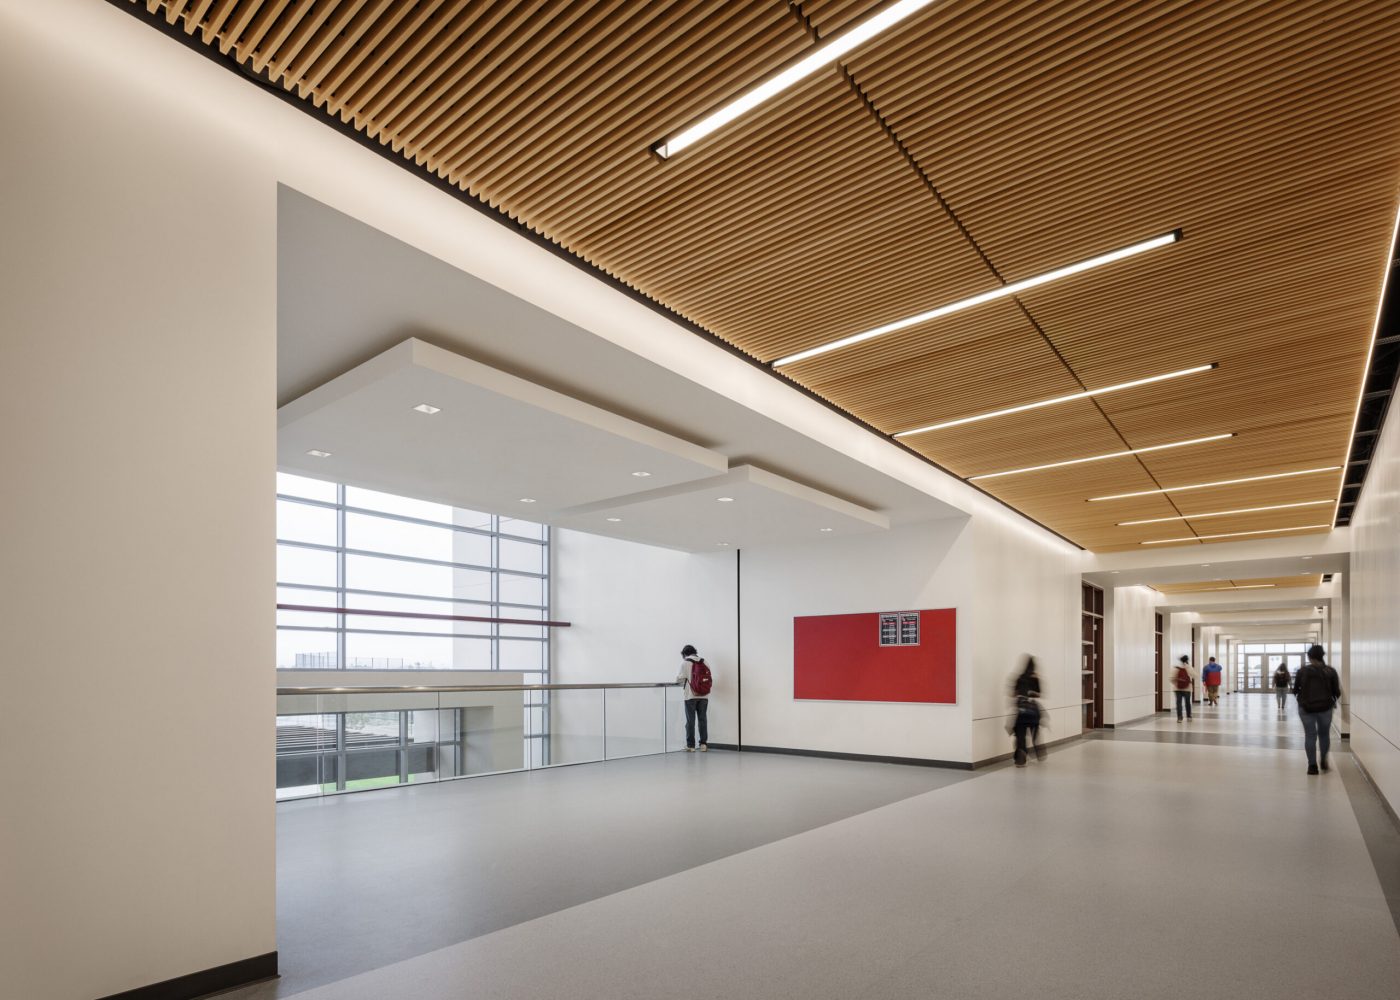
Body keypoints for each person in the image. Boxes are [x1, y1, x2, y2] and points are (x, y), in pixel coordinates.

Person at [1292, 644, 1341, 775]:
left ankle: (1312, 766)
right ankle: (1324, 761)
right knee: (1324, 735)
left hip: (1306, 708)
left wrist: (1300, 700)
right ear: (1322, 656)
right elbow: (1337, 691)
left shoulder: (1302, 671)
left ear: (1309, 656)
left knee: (1310, 735)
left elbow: (1295, 689)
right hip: (1325, 708)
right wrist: (1332, 700)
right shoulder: (1331, 671)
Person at [1009, 656, 1046, 766]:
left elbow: (1012, 694)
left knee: (1020, 734)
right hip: (1033, 712)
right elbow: (1040, 694)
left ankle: (1021, 754)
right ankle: (1038, 747)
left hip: (1021, 711)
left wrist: (1021, 695)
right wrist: (1031, 693)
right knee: (1035, 732)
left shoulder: (1019, 677)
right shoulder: (1035, 678)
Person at [677, 644, 712, 752]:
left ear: (684, 654)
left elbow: (679, 679)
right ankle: (703, 744)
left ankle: (691, 745)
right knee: (703, 719)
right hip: (704, 695)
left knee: (690, 721)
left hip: (690, 695)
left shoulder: (685, 663)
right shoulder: (704, 661)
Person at [1171, 655, 1195, 722]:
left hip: (1177, 689)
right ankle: (1189, 716)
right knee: (1187, 703)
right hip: (1187, 688)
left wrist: (1176, 684)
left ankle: (1179, 718)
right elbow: (1195, 675)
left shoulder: (1176, 667)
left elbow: (1171, 678)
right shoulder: (1189, 667)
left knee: (1178, 703)